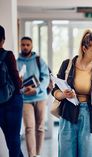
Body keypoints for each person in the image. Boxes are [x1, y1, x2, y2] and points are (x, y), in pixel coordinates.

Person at [51, 29, 92, 157]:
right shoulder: (67, 65)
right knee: (67, 154)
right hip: (68, 114)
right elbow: (55, 90)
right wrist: (64, 95)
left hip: (90, 116)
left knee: (89, 153)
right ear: (84, 48)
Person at [17, 36, 50, 157]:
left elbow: (46, 77)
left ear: (31, 46)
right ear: (20, 46)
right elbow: (15, 82)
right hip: (25, 99)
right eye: (23, 45)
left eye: (27, 45)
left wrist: (37, 90)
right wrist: (22, 88)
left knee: (40, 127)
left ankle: (38, 154)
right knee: (29, 128)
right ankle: (32, 155)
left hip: (40, 97)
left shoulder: (38, 60)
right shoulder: (17, 62)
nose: (25, 47)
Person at [0, 25, 24, 157]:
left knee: (10, 140)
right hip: (13, 101)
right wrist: (20, 80)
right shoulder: (7, 55)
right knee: (14, 140)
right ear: (3, 39)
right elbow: (17, 81)